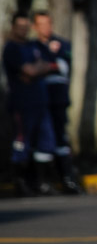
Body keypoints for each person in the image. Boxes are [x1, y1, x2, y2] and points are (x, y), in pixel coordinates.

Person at [3, 12, 58, 196]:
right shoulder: (11, 48)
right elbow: (30, 71)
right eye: (20, 27)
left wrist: (37, 70)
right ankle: (20, 182)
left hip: (41, 102)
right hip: (22, 104)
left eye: (26, 27)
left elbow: (47, 66)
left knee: (45, 142)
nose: (24, 30)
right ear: (13, 28)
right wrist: (36, 70)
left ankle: (41, 182)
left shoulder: (34, 46)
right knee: (22, 143)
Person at [32, 11, 82, 193]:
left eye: (48, 23)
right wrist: (45, 67)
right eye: (41, 24)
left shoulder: (62, 44)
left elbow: (63, 67)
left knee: (61, 138)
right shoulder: (32, 46)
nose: (46, 27)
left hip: (58, 100)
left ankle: (68, 179)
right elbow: (29, 70)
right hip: (39, 101)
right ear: (35, 27)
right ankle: (41, 182)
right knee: (41, 141)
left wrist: (43, 66)